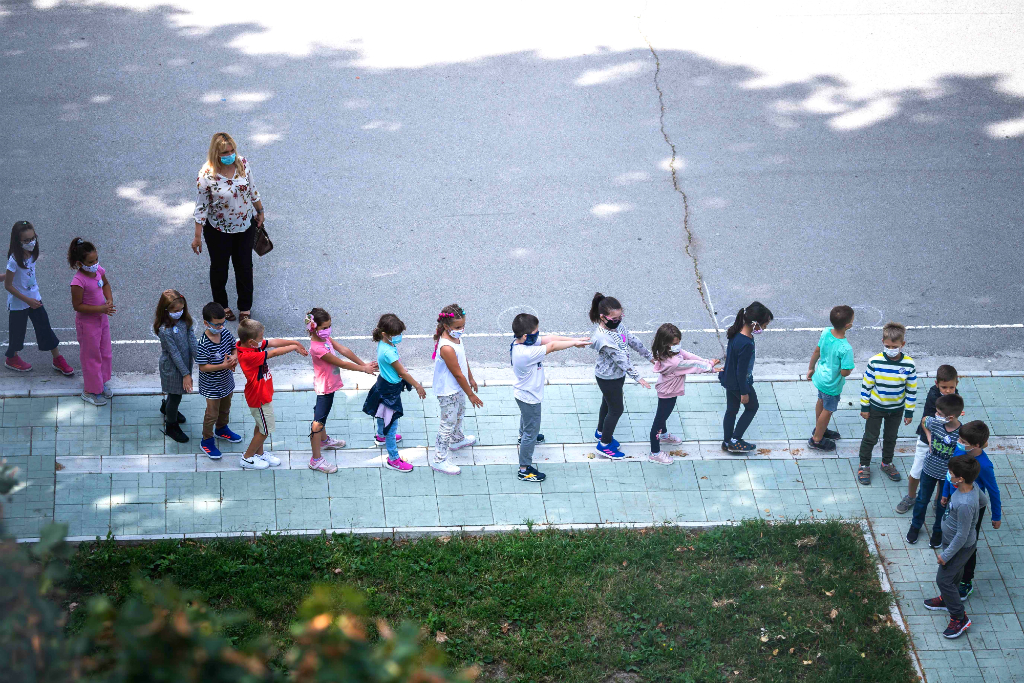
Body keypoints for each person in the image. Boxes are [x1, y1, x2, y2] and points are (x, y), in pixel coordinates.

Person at [191, 132, 265, 323]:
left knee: (245, 268)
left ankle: (245, 308)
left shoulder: (242, 164)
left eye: (232, 150)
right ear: (216, 153)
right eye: (226, 152)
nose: (231, 154)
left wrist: (260, 210)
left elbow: (252, 189)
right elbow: (201, 206)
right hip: (218, 231)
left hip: (244, 227)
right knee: (219, 269)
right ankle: (221, 305)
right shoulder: (206, 175)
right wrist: (197, 236)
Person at [511, 313, 589, 482]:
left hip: (522, 393)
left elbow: (550, 339)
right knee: (531, 432)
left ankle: (522, 435)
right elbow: (552, 345)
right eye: (536, 333)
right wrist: (575, 343)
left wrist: (574, 339)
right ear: (526, 336)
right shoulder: (526, 353)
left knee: (527, 421)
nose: (539, 336)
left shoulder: (520, 342)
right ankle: (524, 469)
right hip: (530, 397)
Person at [306, 308, 377, 474]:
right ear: (313, 327)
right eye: (324, 327)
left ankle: (324, 441)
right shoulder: (318, 348)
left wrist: (363, 364)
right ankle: (315, 460)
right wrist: (363, 369)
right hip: (325, 388)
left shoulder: (325, 338)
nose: (328, 330)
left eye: (329, 326)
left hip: (330, 384)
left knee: (321, 415)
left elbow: (344, 350)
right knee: (318, 422)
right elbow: (341, 362)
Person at [939, 421, 1001, 600]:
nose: (958, 441)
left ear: (976, 445)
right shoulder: (960, 451)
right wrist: (945, 493)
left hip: (971, 508)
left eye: (962, 439)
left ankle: (966, 580)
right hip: (954, 501)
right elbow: (949, 475)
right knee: (956, 535)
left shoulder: (985, 465)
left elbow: (993, 491)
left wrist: (996, 515)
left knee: (968, 543)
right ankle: (953, 565)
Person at [235, 318, 308, 470]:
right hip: (259, 397)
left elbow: (273, 342)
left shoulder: (250, 346)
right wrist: (294, 346)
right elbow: (273, 352)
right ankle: (247, 457)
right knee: (265, 430)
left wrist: (295, 342)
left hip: (262, 394)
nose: (263, 340)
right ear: (250, 342)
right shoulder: (249, 356)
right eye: (260, 338)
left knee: (260, 425)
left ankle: (259, 453)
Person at [4, 221, 74, 376]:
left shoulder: (32, 253)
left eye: (33, 238)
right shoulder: (14, 259)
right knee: (17, 333)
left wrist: (31, 299)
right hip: (19, 303)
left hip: (34, 299)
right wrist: (27, 300)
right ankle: (11, 358)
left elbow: (20, 275)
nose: (31, 242)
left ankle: (57, 358)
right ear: (18, 241)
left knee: (45, 327)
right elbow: (8, 286)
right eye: (26, 240)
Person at [923, 454, 981, 639]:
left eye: (951, 473)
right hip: (954, 544)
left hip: (958, 547)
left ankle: (959, 616)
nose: (949, 475)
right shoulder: (972, 488)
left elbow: (962, 536)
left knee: (944, 580)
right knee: (953, 576)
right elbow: (984, 502)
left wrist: (946, 555)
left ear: (960, 478)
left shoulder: (965, 503)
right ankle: (947, 599)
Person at [588, 293, 652, 460]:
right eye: (614, 318)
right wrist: (638, 377)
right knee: (616, 409)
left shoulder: (618, 326)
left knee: (607, 404)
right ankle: (604, 445)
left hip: (616, 375)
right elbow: (620, 359)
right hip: (608, 377)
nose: (618, 320)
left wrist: (649, 356)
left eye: (620, 316)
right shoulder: (602, 337)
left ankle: (601, 432)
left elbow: (632, 340)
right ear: (603, 317)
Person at [363, 314, 426, 473]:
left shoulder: (383, 344)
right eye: (396, 334)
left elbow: (390, 364)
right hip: (390, 392)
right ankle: (393, 459)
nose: (399, 337)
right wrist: (418, 386)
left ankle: (380, 436)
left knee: (380, 414)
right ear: (385, 334)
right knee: (391, 425)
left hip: (382, 385)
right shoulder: (389, 352)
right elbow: (403, 373)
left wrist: (385, 366)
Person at [649, 323, 720, 465]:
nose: (678, 345)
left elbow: (689, 356)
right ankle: (655, 453)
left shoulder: (671, 352)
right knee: (659, 420)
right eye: (675, 343)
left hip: (669, 390)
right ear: (666, 343)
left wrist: (707, 363)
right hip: (667, 392)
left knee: (663, 416)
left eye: (678, 342)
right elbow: (692, 366)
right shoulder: (674, 362)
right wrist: (710, 366)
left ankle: (663, 435)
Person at [856, 322, 917, 485]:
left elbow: (911, 390)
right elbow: (866, 386)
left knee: (891, 437)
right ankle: (864, 465)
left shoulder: (909, 365)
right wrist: (864, 407)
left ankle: (886, 463)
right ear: (882, 342)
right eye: (887, 345)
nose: (891, 349)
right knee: (870, 437)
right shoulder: (874, 362)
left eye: (894, 346)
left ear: (902, 344)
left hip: (896, 410)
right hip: (875, 408)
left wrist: (909, 412)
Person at [897, 364, 959, 514]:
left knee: (942, 474)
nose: (948, 391)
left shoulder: (956, 396)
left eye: (951, 387)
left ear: (957, 383)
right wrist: (931, 441)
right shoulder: (934, 396)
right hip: (927, 440)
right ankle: (911, 496)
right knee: (916, 471)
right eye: (944, 387)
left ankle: (939, 500)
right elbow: (926, 421)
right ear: (936, 384)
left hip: (943, 443)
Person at [430, 304, 482, 476]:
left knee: (460, 412)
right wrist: (471, 394)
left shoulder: (456, 338)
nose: (461, 330)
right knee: (447, 424)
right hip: (448, 390)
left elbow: (463, 359)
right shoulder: (446, 347)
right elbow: (457, 374)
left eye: (463, 326)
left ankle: (457, 439)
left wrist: (471, 378)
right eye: (458, 327)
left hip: (457, 387)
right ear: (446, 326)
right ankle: (439, 459)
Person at [907, 393, 964, 546]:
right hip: (929, 470)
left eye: (939, 413)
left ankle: (938, 530)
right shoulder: (935, 422)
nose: (936, 415)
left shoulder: (961, 434)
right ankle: (915, 525)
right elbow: (925, 420)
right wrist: (929, 437)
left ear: (950, 417)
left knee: (942, 503)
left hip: (947, 476)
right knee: (922, 499)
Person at [719, 302, 773, 453]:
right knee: (752, 407)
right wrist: (744, 392)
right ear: (755, 324)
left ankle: (727, 441)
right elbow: (741, 372)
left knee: (731, 410)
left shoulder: (736, 333)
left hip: (728, 379)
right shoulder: (746, 343)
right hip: (739, 383)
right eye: (765, 324)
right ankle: (735, 440)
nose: (765, 328)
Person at [68, 238, 115, 406]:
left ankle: (99, 384)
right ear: (80, 263)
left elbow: (106, 284)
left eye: (96, 259)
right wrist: (101, 309)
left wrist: (108, 300)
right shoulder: (78, 282)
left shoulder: (98, 271)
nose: (95, 263)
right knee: (91, 357)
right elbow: (77, 306)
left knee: (104, 352)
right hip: (87, 325)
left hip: (101, 320)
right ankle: (89, 390)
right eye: (91, 261)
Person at [195, 302, 242, 460]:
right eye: (217, 324)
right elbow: (203, 367)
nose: (221, 326)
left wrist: (234, 356)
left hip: (226, 382)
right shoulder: (202, 344)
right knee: (211, 414)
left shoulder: (225, 333)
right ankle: (207, 440)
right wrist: (224, 365)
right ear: (206, 323)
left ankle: (222, 429)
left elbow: (233, 347)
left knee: (225, 409)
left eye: (223, 323)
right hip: (211, 387)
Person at [806, 305, 855, 451]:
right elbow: (845, 372)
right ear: (848, 325)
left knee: (820, 400)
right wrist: (849, 369)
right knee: (828, 410)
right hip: (831, 384)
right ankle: (817, 440)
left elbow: (817, 351)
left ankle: (820, 429)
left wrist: (811, 368)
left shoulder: (826, 331)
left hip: (820, 377)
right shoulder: (846, 348)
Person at [154, 290, 198, 444]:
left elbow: (192, 340)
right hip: (172, 367)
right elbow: (174, 353)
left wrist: (200, 359)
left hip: (183, 364)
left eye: (181, 309)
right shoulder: (165, 330)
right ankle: (171, 426)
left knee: (175, 394)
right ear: (165, 310)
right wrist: (186, 374)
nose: (179, 313)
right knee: (176, 395)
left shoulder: (185, 322)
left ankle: (166, 408)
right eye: (175, 311)